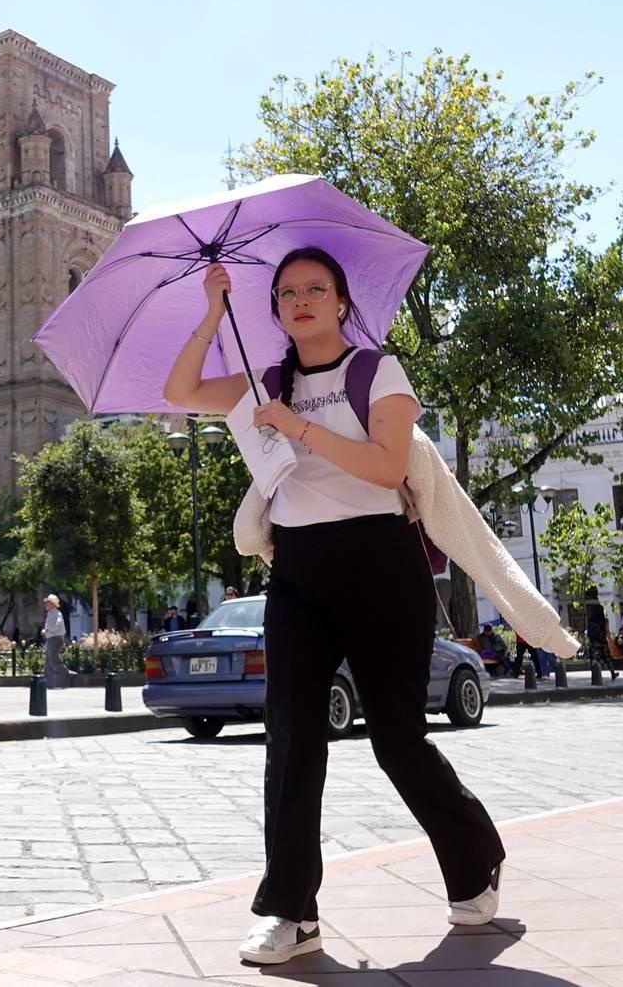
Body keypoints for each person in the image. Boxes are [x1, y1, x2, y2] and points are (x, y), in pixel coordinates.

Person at [163, 249, 504, 966]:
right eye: (287, 292)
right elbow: (180, 387)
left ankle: (477, 854)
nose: (301, 299)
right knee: (290, 737)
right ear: (277, 309)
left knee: (396, 740)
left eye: (317, 287)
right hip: (298, 570)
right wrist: (211, 312)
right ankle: (292, 910)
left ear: (342, 301)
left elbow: (386, 464)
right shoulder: (268, 378)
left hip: (381, 563)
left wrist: (298, 426)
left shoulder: (376, 371)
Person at [40, 594, 68, 689]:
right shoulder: (50, 614)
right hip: (51, 638)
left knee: (52, 659)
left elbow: (56, 626)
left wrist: (47, 630)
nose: (46, 605)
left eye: (47, 603)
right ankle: (48, 683)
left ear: (52, 604)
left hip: (56, 639)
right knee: (48, 661)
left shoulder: (57, 614)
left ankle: (65, 673)